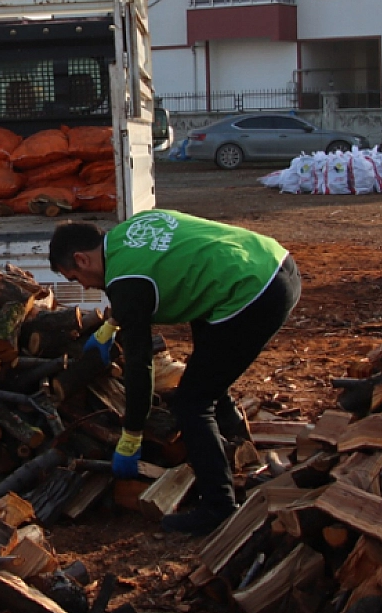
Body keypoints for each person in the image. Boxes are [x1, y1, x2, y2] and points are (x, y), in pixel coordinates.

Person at [49, 209, 300, 536]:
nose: (82, 287)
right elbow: (153, 276)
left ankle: (218, 507)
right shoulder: (128, 233)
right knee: (206, 364)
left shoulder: (127, 282)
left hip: (253, 292)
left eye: (74, 278)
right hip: (273, 261)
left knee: (192, 402)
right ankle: (233, 432)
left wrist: (132, 433)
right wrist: (111, 325)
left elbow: (140, 364)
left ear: (82, 260)